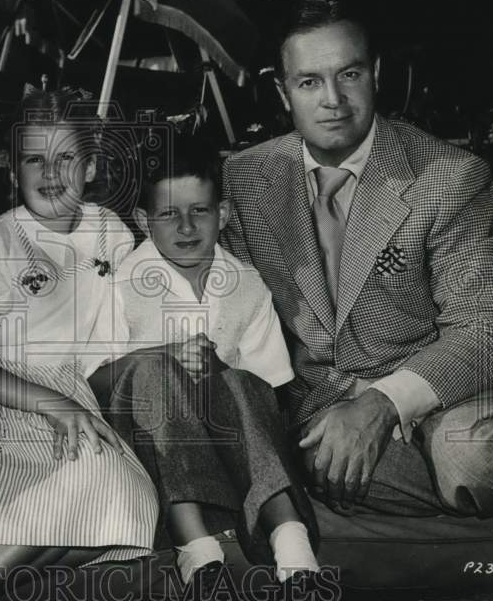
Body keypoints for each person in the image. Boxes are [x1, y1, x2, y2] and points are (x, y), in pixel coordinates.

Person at [221, 0, 493, 545]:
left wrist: (381, 404)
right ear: (282, 93)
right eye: (308, 82)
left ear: (376, 74)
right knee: (315, 467)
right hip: (318, 414)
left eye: (349, 74)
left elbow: (488, 333)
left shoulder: (447, 176)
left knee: (469, 457)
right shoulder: (244, 181)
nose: (332, 100)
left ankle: (488, 493)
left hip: (445, 396)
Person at [0, 89, 157, 601]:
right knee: (79, 482)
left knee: (133, 502)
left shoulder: (111, 233)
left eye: (66, 158)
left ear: (92, 168)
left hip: (70, 388)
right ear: (13, 170)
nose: (50, 173)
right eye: (34, 158)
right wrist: (56, 405)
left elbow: (123, 328)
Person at [88, 135, 320, 597]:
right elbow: (94, 383)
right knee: (154, 372)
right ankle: (197, 549)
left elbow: (269, 392)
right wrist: (162, 358)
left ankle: (290, 541)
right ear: (143, 220)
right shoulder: (119, 286)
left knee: (238, 379)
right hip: (153, 453)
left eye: (201, 211)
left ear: (225, 214)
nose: (187, 227)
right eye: (169, 214)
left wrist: (213, 379)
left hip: (233, 458)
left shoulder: (248, 285)